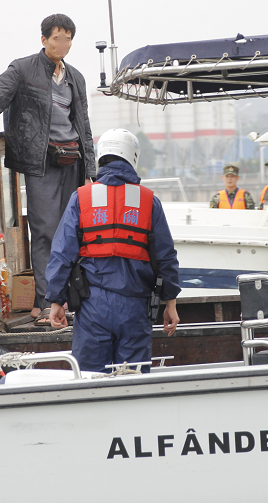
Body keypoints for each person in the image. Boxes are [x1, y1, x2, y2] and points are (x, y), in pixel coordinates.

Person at [0, 13, 95, 324]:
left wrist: (90, 171)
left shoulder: (75, 77)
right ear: (44, 39)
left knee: (71, 233)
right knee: (44, 232)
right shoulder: (23, 70)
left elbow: (83, 125)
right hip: (40, 163)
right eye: (57, 38)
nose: (63, 44)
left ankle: (62, 300)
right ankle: (47, 302)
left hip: (73, 162)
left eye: (68, 39)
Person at [45, 129, 180, 372]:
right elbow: (165, 257)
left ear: (101, 156)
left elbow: (62, 253)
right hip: (135, 309)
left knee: (90, 380)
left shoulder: (81, 198)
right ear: (133, 157)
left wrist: (56, 300)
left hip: (92, 307)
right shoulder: (149, 201)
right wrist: (170, 303)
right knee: (132, 381)